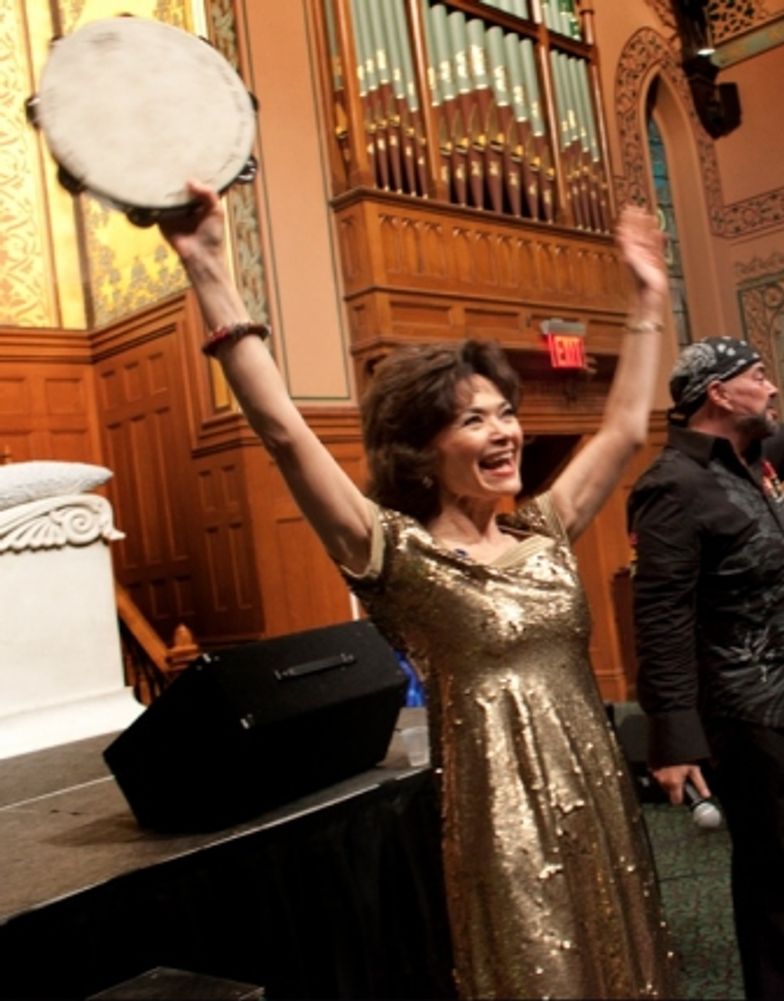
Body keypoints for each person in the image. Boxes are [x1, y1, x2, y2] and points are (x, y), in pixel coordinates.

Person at [159, 182, 676, 999]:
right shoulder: (392, 553)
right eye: (474, 421)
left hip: (598, 796)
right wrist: (207, 266)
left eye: (505, 413)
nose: (504, 432)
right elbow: (285, 433)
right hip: (500, 824)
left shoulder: (544, 529)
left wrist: (647, 300)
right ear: (422, 448)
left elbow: (623, 428)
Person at [628, 323, 784, 1000]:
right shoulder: (673, 485)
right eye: (759, 375)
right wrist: (673, 734)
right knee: (776, 875)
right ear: (720, 393)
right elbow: (660, 616)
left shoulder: (749, 458)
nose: (772, 387)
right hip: (746, 713)